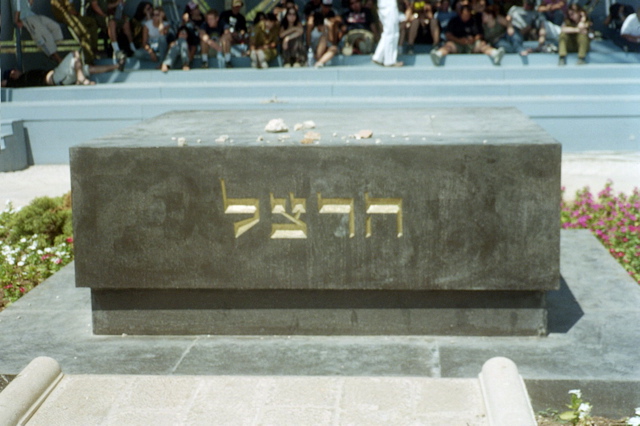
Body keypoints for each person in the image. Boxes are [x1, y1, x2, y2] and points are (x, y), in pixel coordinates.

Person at [430, 4, 504, 65]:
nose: (467, 16)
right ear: (461, 13)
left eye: (468, 14)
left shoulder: (474, 21)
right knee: (448, 45)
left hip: (472, 45)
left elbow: (480, 34)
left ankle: (495, 54)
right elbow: (448, 35)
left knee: (482, 44)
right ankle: (438, 55)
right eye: (465, 14)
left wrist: (474, 39)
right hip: (458, 44)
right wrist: (459, 40)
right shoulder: (454, 21)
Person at [2, 50, 122, 88]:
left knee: (86, 68)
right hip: (57, 77)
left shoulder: (25, 76)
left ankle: (116, 66)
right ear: (11, 75)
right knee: (74, 53)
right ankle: (81, 78)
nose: (15, 70)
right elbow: (3, 83)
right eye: (12, 71)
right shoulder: (16, 82)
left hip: (62, 77)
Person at [51, 0, 99, 64]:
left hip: (72, 14)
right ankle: (88, 61)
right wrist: (75, 13)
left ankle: (93, 50)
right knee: (84, 33)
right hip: (66, 16)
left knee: (91, 22)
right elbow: (66, 10)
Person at [372, 0, 403, 66]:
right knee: (391, 33)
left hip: (385, 5)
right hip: (388, 6)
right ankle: (389, 61)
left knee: (388, 32)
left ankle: (378, 56)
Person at [220, 0, 249, 68]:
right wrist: (231, 33)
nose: (237, 8)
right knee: (226, 37)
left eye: (238, 7)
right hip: (226, 37)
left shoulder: (241, 17)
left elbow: (243, 30)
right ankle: (227, 60)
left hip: (237, 38)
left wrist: (240, 33)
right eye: (236, 6)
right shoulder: (225, 15)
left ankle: (248, 53)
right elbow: (223, 28)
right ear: (232, 6)